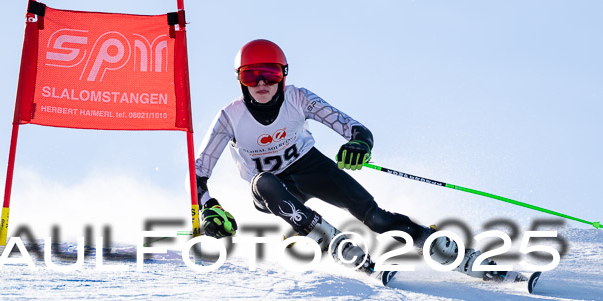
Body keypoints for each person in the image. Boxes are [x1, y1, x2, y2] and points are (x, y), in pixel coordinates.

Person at [194, 39, 505, 280]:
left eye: (270, 74)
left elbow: (354, 127)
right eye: (251, 75)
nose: (262, 84)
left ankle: (447, 250)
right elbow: (199, 173)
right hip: (271, 190)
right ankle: (328, 238)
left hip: (311, 167)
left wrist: (359, 144)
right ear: (240, 80)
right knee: (265, 182)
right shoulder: (229, 117)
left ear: (283, 76)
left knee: (378, 218)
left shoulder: (299, 99)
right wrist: (210, 206)